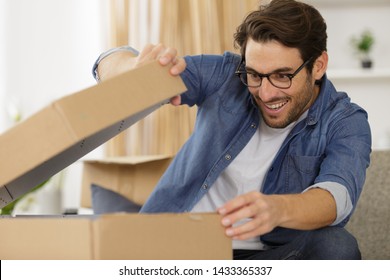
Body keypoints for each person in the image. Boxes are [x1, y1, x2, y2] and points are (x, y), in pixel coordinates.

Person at [93, 0, 371, 260]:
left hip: (273, 256)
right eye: (254, 74)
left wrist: (278, 209)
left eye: (282, 76)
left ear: (318, 66)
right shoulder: (224, 75)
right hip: (181, 248)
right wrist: (132, 68)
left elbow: (336, 196)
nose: (265, 92)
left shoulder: (345, 120)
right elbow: (108, 62)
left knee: (337, 245)